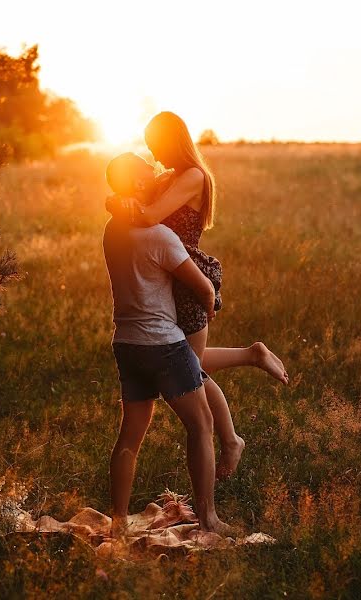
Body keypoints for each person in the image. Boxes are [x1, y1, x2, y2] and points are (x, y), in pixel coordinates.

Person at [107, 112, 289, 479]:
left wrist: (121, 206)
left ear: (173, 140)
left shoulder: (193, 177)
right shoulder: (171, 175)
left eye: (156, 146)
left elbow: (148, 214)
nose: (154, 155)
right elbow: (131, 190)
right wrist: (116, 200)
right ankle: (250, 357)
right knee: (193, 366)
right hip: (165, 276)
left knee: (193, 369)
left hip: (187, 277)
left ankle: (231, 438)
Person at [102, 157, 232, 535]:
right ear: (137, 185)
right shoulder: (160, 236)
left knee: (130, 436)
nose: (155, 178)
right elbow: (204, 287)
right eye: (146, 175)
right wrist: (209, 312)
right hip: (164, 344)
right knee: (201, 424)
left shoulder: (112, 230)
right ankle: (209, 519)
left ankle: (118, 521)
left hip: (126, 343)